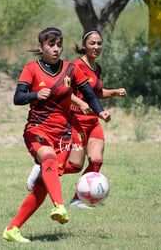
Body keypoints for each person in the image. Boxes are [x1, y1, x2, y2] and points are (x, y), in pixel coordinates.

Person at [2, 27, 111, 243]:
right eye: (51, 45)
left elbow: (89, 94)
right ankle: (60, 206)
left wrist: (101, 111)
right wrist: (35, 94)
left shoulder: (71, 70)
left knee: (42, 188)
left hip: (62, 134)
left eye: (59, 45)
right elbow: (17, 97)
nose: (56, 49)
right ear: (41, 47)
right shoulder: (31, 69)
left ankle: (12, 229)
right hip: (37, 129)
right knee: (49, 159)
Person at [25, 30, 126, 208]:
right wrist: (79, 103)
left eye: (99, 43)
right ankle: (43, 170)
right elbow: (62, 91)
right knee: (75, 164)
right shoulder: (75, 66)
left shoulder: (97, 68)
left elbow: (94, 93)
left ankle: (78, 199)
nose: (96, 47)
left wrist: (114, 93)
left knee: (96, 161)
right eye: (92, 43)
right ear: (84, 46)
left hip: (92, 120)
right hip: (76, 120)